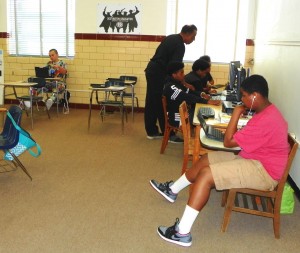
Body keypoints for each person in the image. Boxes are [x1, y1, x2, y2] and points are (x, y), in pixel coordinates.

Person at [150, 74, 289, 247]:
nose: (241, 100)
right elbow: (241, 140)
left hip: (264, 172)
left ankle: (182, 233)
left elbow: (228, 142)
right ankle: (172, 190)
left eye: (244, 95)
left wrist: (236, 114)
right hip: (254, 158)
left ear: (255, 96)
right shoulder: (266, 111)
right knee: (207, 159)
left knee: (206, 176)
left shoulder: (267, 119)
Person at [144, 24, 198, 140]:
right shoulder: (180, 45)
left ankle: (153, 131)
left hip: (153, 70)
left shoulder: (171, 37)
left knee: (153, 101)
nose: (193, 40)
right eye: (193, 37)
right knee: (161, 103)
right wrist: (184, 83)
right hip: (158, 73)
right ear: (187, 34)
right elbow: (176, 69)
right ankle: (168, 134)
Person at [163, 61, 220, 143]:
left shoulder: (177, 83)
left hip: (183, 112)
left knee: (204, 114)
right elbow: (186, 96)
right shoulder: (171, 87)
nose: (183, 74)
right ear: (174, 74)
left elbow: (189, 92)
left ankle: (202, 138)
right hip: (176, 117)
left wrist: (202, 94)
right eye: (181, 72)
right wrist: (206, 101)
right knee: (201, 117)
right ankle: (198, 142)